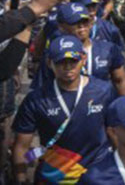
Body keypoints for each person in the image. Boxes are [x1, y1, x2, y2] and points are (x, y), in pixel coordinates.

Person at [12, 36, 117, 184]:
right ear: (49, 63)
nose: (68, 67)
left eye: (73, 61)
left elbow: (116, 132)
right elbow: (22, 146)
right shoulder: (36, 99)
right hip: (55, 177)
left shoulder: (104, 90)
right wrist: (21, 178)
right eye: (61, 62)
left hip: (97, 175)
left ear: (83, 59)